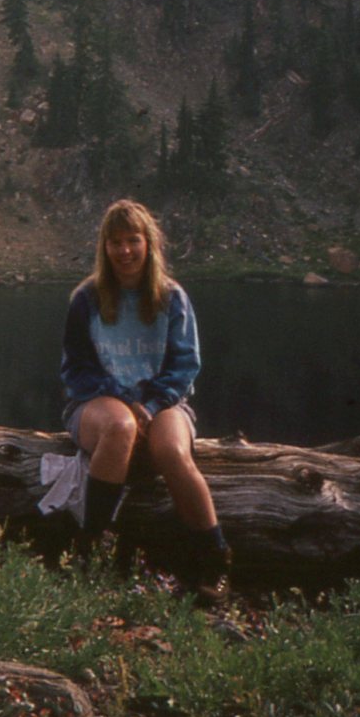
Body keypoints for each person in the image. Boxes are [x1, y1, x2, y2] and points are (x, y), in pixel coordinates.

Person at [60, 198, 231, 597]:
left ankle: (214, 560)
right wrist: (124, 399)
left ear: (148, 243)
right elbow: (77, 371)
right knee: (120, 426)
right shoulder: (86, 298)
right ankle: (91, 551)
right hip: (97, 402)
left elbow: (185, 365)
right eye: (115, 242)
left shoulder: (172, 297)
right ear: (104, 247)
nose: (124, 251)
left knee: (170, 450)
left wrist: (151, 404)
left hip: (164, 401)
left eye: (133, 240)